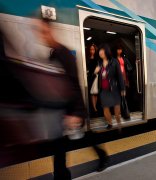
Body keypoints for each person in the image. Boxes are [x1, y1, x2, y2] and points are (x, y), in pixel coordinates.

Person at [35, 19, 108, 179]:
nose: (40, 35)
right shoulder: (53, 54)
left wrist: (77, 113)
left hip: (71, 111)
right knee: (61, 150)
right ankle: (64, 174)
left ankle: (102, 155)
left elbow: (74, 85)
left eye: (43, 31)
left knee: (78, 141)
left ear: (51, 30)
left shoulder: (64, 54)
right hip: (61, 112)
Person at [95, 44, 125, 130]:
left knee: (116, 111)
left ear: (106, 51)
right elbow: (95, 76)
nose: (100, 52)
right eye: (99, 51)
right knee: (105, 109)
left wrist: (122, 89)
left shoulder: (114, 61)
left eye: (102, 50)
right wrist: (95, 72)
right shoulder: (99, 63)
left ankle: (119, 124)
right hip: (103, 90)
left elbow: (120, 76)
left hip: (114, 89)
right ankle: (110, 123)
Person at [86, 44, 100, 113]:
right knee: (91, 93)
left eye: (93, 49)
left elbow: (99, 66)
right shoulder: (87, 58)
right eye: (91, 49)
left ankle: (95, 106)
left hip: (96, 76)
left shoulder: (97, 58)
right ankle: (94, 107)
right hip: (89, 77)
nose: (92, 51)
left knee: (96, 92)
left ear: (95, 50)